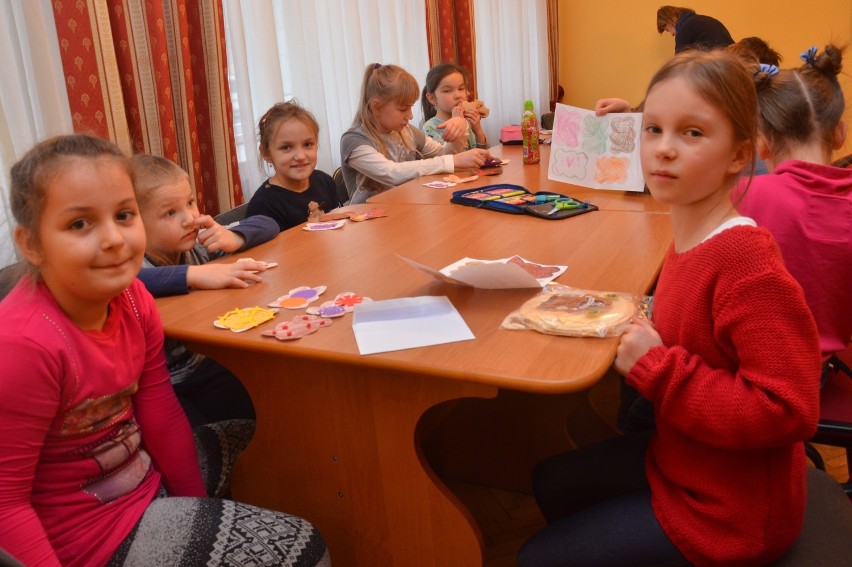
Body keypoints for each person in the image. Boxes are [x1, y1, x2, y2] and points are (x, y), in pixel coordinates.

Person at [519, 49, 821, 566]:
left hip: (734, 512)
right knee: (550, 480)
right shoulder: (687, 232)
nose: (663, 150)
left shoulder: (746, 262)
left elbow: (789, 410)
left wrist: (659, 368)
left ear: (736, 155)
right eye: (652, 130)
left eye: (692, 133)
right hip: (685, 457)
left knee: (535, 557)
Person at [0, 134, 329, 566]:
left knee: (293, 447)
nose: (114, 239)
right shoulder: (24, 344)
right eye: (80, 224)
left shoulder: (133, 299)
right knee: (302, 547)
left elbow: (160, 411)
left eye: (123, 214)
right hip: (86, 538)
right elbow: (6, 505)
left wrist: (192, 509)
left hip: (144, 486)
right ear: (32, 244)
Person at [132, 154, 275, 428]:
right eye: (170, 213)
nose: (190, 218)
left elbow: (267, 223)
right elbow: (132, 281)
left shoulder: (197, 245)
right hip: (163, 386)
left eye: (190, 202)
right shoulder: (130, 267)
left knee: (269, 402)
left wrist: (235, 237)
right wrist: (194, 274)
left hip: (206, 366)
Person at [734, 44, 852, 364]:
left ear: (761, 145)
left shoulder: (741, 196)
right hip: (823, 370)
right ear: (840, 134)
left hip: (753, 370)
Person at [340, 63, 490, 204]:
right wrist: (453, 161)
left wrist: (459, 126)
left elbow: (444, 154)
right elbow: (391, 173)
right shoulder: (354, 140)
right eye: (403, 109)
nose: (410, 116)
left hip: (406, 209)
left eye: (411, 107)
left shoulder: (407, 131)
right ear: (377, 107)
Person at [247, 101, 343, 230]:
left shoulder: (325, 182)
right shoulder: (263, 204)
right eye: (286, 147)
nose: (301, 156)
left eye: (308, 144)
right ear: (266, 153)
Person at [420, 62, 489, 150]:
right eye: (447, 91)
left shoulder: (467, 121)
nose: (458, 95)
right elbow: (448, 160)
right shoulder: (430, 128)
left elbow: (484, 153)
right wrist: (457, 125)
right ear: (432, 98)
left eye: (461, 89)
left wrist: (478, 130)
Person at [656, 5, 734, 54]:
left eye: (667, 30)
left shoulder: (684, 28)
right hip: (732, 62)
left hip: (716, 68)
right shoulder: (706, 19)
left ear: (669, 21)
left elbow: (680, 63)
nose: (672, 34)